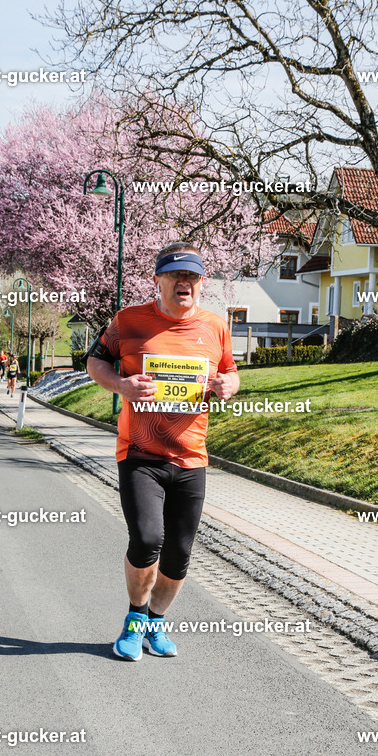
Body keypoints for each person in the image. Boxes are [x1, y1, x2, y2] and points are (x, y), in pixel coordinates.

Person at [86, 241, 239, 661]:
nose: (184, 283)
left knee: (180, 553)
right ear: (158, 280)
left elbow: (229, 371)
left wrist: (230, 385)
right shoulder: (128, 321)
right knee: (148, 538)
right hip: (140, 453)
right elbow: (94, 361)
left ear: (202, 282)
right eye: (175, 275)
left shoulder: (216, 326)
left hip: (191, 456)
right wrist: (120, 385)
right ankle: (134, 620)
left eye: (191, 276)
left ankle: (156, 621)